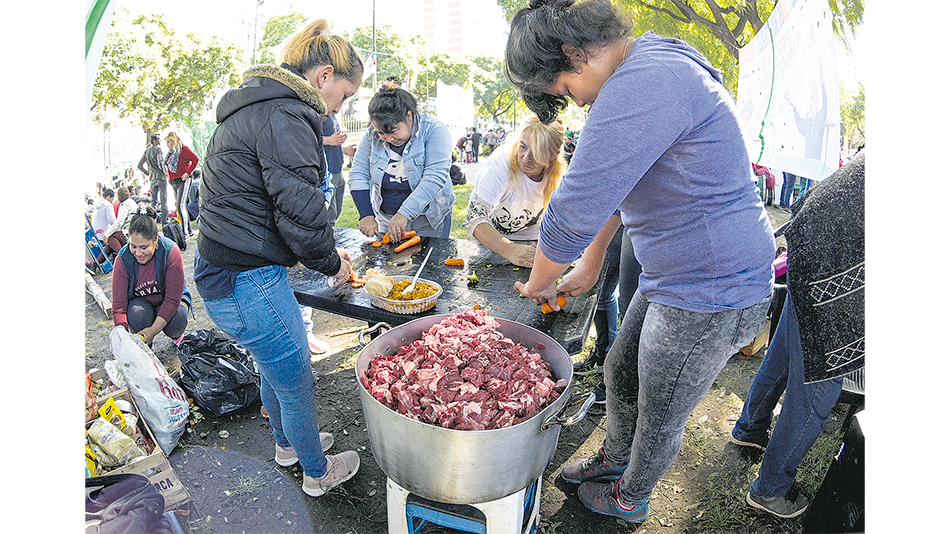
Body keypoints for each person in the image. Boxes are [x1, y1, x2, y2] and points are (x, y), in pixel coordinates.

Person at [505, 0, 775, 523]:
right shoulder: (642, 65)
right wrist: (591, 261)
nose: (573, 102)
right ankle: (615, 458)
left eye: (563, 89)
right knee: (621, 367)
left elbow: (575, 206)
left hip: (712, 288)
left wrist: (540, 282)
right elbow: (619, 183)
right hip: (671, 274)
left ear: (572, 53)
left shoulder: (644, 83)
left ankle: (632, 497)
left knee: (662, 406)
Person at [193, 18, 362, 498]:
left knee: (273, 365)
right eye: (345, 95)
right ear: (324, 76)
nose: (340, 107)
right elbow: (302, 212)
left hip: (222, 275)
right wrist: (334, 264)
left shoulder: (257, 106)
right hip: (249, 280)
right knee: (296, 382)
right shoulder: (287, 116)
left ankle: (288, 445)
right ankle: (317, 471)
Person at [730, 150, 865, 519]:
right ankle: (770, 490)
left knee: (785, 351)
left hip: (811, 236)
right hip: (839, 264)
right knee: (818, 388)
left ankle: (750, 428)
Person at [348, 87, 455, 242]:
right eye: (381, 133)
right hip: (386, 218)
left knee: (430, 262)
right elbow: (358, 173)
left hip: (429, 218)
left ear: (409, 117)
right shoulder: (371, 134)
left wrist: (404, 213)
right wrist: (366, 214)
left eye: (393, 131)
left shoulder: (434, 130)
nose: (388, 139)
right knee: (388, 262)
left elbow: (434, 178)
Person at [464, 115, 567, 268]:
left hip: (535, 245)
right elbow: (474, 217)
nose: (526, 158)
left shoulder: (560, 176)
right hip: (494, 242)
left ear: (554, 155)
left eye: (537, 153)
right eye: (523, 146)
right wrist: (510, 249)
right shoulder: (502, 162)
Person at [112, 208, 189, 347]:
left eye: (144, 247)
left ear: (156, 240)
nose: (138, 252)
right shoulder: (122, 259)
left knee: (177, 319)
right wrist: (124, 337)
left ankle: (176, 336)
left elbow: (172, 300)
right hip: (141, 304)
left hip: (169, 302)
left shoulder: (170, 251)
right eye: (133, 246)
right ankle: (146, 343)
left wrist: (153, 330)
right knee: (137, 315)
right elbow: (119, 307)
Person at [163, 132, 200, 230]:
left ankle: (185, 232)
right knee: (179, 205)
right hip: (173, 181)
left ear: (173, 141)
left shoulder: (183, 150)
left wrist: (187, 173)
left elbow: (195, 160)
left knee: (181, 205)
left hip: (182, 180)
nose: (167, 144)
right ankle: (188, 229)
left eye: (168, 142)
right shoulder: (171, 152)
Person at [322, 114, 348, 224]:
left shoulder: (332, 114)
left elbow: (333, 142)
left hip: (338, 170)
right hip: (327, 173)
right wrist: (328, 140)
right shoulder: (315, 114)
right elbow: (305, 138)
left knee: (336, 213)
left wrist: (344, 150)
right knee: (329, 217)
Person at [137, 133, 168, 224]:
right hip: (161, 177)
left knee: (153, 201)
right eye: (158, 139)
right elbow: (160, 163)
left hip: (152, 178)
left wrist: (148, 173)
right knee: (163, 201)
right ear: (154, 141)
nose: (160, 141)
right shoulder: (158, 149)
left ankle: (152, 220)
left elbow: (139, 165)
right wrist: (165, 172)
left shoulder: (147, 151)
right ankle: (164, 220)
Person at [103, 187, 138, 255]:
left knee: (111, 238)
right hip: (133, 231)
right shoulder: (131, 202)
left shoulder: (124, 205)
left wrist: (106, 234)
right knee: (110, 246)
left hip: (129, 233)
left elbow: (119, 222)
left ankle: (123, 257)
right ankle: (94, 264)